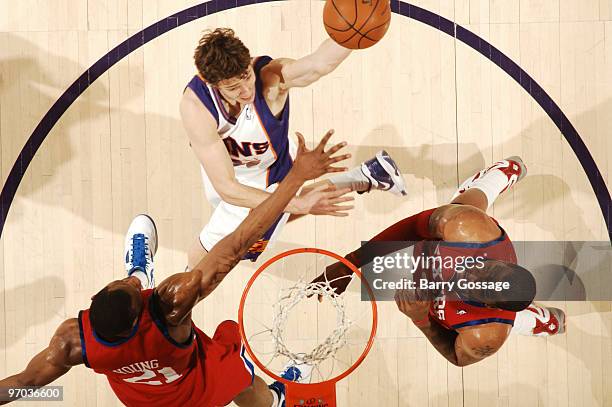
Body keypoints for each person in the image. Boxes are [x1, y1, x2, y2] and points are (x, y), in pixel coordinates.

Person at [0, 131, 347, 406]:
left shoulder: (72, 343)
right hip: (193, 379)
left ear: (93, 303)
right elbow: (240, 240)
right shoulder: (172, 304)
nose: (134, 289)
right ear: (140, 317)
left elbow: (25, 384)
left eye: (128, 284)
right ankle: (277, 400)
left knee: (236, 372)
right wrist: (296, 178)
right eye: (137, 289)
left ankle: (140, 268)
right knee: (238, 376)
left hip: (143, 398)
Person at [180, 28, 406, 267]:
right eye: (234, 87)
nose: (246, 91)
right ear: (211, 83)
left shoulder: (271, 80)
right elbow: (227, 188)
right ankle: (367, 174)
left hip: (266, 176)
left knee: (203, 256)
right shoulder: (196, 107)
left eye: (246, 76)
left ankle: (173, 303)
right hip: (223, 173)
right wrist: (299, 204)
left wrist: (356, 30)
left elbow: (318, 64)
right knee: (268, 220)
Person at [313, 156, 566, 366]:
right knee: (463, 204)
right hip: (453, 238)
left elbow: (457, 356)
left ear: (489, 304)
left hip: (479, 318)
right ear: (498, 263)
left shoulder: (487, 333)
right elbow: (415, 225)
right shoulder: (469, 232)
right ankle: (501, 176)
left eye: (482, 287)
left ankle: (537, 320)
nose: (472, 275)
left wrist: (422, 320)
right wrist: (352, 262)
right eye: (486, 270)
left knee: (504, 326)